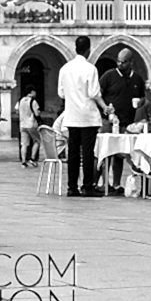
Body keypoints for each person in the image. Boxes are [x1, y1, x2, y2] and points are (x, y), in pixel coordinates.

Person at [58, 35, 108, 197]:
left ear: (75, 49)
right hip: (88, 116)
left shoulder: (64, 69)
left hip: (72, 116)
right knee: (87, 153)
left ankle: (72, 186)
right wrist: (105, 107)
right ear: (88, 49)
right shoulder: (90, 69)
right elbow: (94, 93)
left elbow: (61, 93)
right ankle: (87, 186)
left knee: (73, 153)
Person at [99, 48, 146, 194]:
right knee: (107, 152)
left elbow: (143, 98)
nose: (120, 64)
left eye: (124, 62)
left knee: (120, 153)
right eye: (118, 61)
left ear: (131, 62)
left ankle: (117, 184)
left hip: (128, 123)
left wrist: (140, 104)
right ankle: (105, 183)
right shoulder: (109, 76)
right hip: (109, 121)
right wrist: (106, 109)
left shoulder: (137, 79)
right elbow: (98, 95)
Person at [18, 88, 42, 168]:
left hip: (22, 124)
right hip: (31, 124)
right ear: (31, 92)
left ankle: (23, 161)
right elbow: (37, 113)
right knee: (37, 141)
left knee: (24, 144)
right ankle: (32, 158)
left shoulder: (21, 100)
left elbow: (17, 110)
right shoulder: (33, 101)